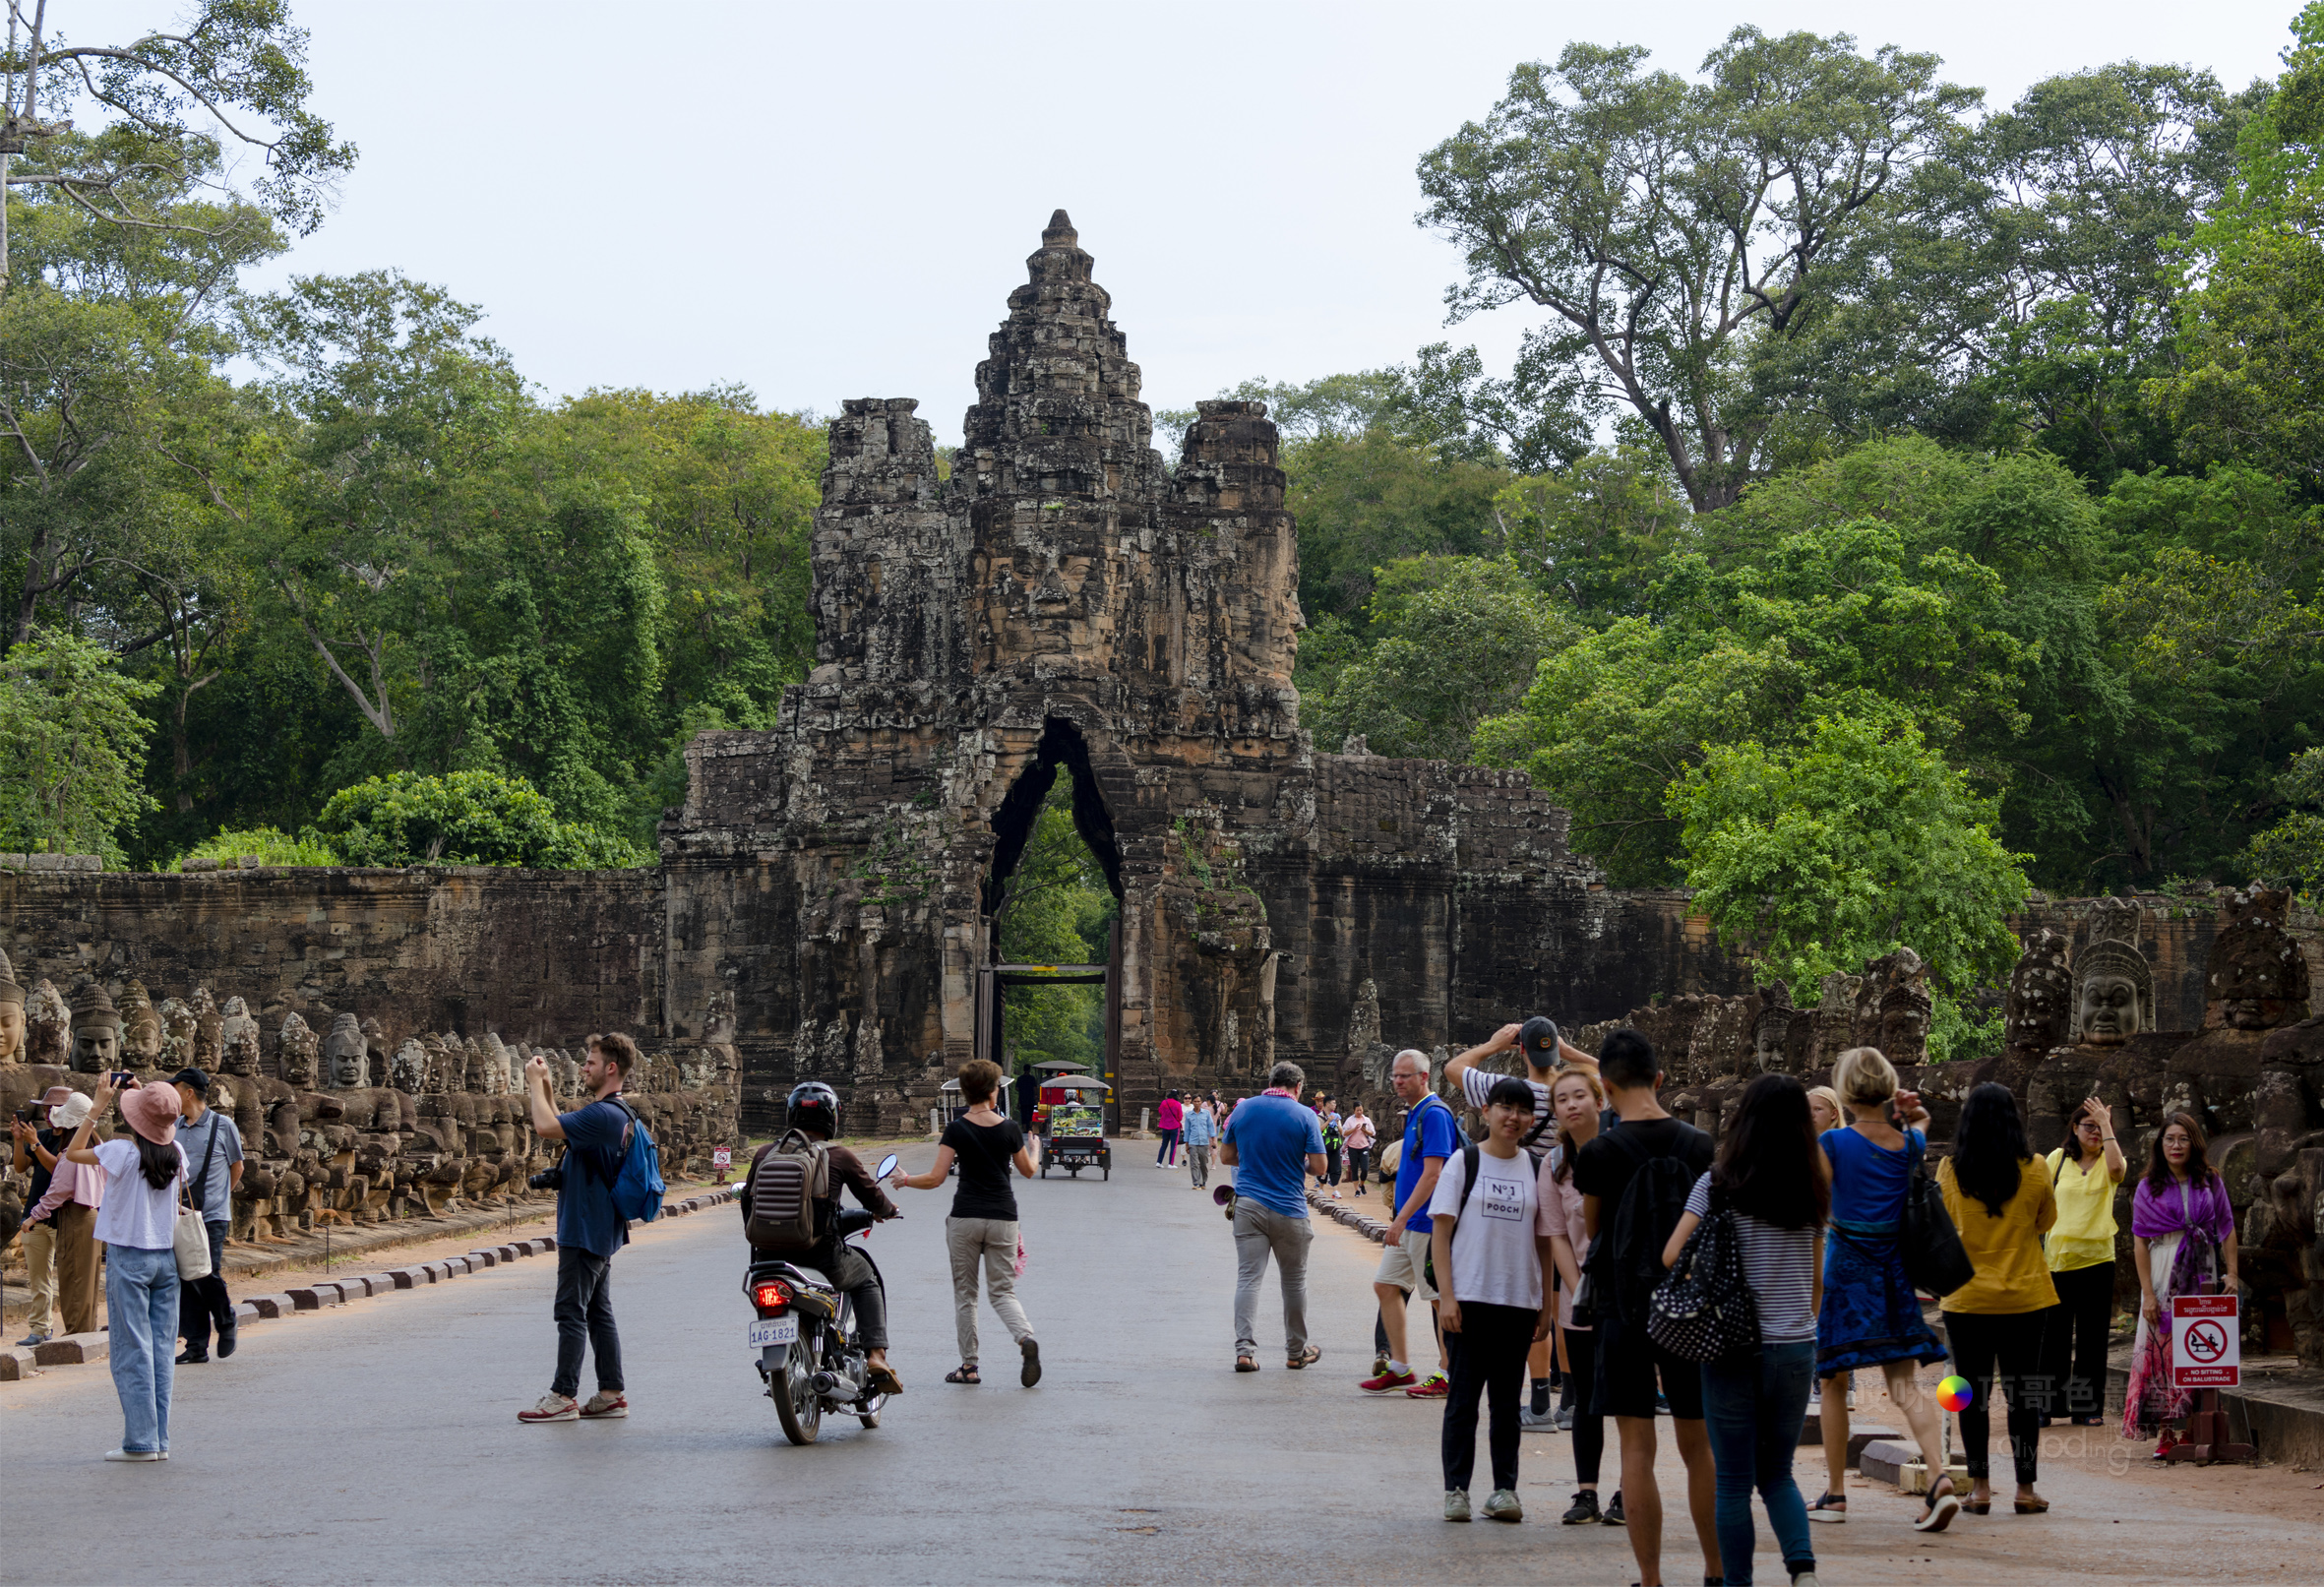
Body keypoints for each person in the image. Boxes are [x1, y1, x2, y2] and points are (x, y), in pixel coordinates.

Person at [1661, 1072, 1827, 1587]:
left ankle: (1738, 1582)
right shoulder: (1812, 1186)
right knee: (1778, 1473)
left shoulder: (1718, 1183)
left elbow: (1671, 1255)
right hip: (1795, 1346)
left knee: (1732, 1480)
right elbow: (1818, 1277)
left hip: (1731, 1345)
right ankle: (1803, 1570)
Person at [1573, 1027, 1718, 1587]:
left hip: (1623, 1303)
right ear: (1660, 1079)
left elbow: (1592, 1228)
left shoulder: (1601, 1152)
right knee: (1698, 1444)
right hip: (1690, 1304)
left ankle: (1652, 1578)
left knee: (1637, 1446)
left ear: (1604, 1088)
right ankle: (1714, 1569)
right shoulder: (1699, 1145)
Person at [1811, 1047, 1958, 1532]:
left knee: (1832, 1381)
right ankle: (1938, 1477)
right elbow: (1922, 1124)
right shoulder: (1907, 1145)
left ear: (1846, 1092)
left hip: (1847, 1270)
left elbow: (1816, 1206)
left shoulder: (1832, 1145)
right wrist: (1914, 1113)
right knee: (1903, 1385)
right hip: (1893, 1273)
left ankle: (1835, 1493)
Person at [1443, 1015, 1605, 1424]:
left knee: (1534, 1299)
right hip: (1564, 1203)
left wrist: (1492, 1045)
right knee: (1562, 1302)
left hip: (1521, 1202)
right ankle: (1569, 1398)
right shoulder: (1570, 1094)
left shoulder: (1506, 1093)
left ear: (1522, 1052)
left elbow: (1452, 1068)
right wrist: (1570, 1053)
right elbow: (1609, 1075)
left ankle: (1537, 1401)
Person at [1432, 1076, 1559, 1523]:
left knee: (1506, 1404)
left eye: (1523, 1110)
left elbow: (1544, 1241)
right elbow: (1441, 1234)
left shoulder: (1536, 1168)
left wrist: (1545, 1304)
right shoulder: (1463, 1162)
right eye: (1505, 1107)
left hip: (1517, 1302)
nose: (1514, 1117)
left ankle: (1505, 1489)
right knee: (1463, 1401)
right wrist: (1446, 1297)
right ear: (1486, 1111)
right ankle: (1457, 1491)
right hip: (1469, 1298)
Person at [1937, 1081, 2058, 1515]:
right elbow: (2045, 1220)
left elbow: (1945, 1227)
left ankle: (1980, 1487)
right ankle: (2025, 1490)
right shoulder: (2038, 1167)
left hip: (1966, 1299)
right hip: (2025, 1297)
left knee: (1970, 1394)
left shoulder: (1950, 1170)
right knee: (2024, 1393)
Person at [747, 1077, 906, 1393]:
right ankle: (876, 1354)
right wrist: (887, 1210)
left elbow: (748, 1206)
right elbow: (873, 1198)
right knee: (865, 1277)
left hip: (767, 1261)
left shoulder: (764, 1154)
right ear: (832, 1117)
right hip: (820, 1255)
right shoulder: (840, 1156)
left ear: (791, 1115)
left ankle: (777, 1343)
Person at [519, 1033, 642, 1424]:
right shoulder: (617, 1113)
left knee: (570, 1311)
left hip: (585, 1227)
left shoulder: (603, 1115)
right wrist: (549, 1085)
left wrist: (534, 1083)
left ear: (610, 1067)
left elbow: (544, 1126)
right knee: (597, 1311)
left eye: (589, 1062)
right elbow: (559, 1123)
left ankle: (562, 1395)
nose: (584, 1068)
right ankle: (611, 1393)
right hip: (601, 1226)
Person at [894, 1058, 1040, 1387]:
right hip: (1003, 1217)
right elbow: (1029, 1170)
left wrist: (906, 1181)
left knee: (966, 1294)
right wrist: (1035, 1149)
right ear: (993, 1092)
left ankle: (969, 1367)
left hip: (965, 1217)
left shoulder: (956, 1128)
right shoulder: (1009, 1128)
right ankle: (1024, 1338)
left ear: (964, 1093)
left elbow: (935, 1178)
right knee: (1002, 1292)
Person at [66, 1077, 187, 1461]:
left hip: (129, 1256)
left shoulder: (121, 1151)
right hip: (167, 1259)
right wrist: (151, 1098)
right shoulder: (178, 1153)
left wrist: (98, 1106)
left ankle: (141, 1441)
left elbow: (73, 1153)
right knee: (162, 1351)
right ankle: (159, 1439)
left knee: (132, 1349)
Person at [2124, 1111, 2241, 1445]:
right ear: (2160, 1144)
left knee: (2201, 1345)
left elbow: (2227, 1227)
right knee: (2164, 1347)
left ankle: (2195, 1427)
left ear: (2194, 1143)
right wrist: (2148, 1294)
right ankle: (2165, 1430)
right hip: (2164, 1268)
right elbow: (2140, 1243)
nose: (2176, 1146)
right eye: (2170, 1139)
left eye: (2183, 1139)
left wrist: (2231, 1273)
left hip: (2203, 1268)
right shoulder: (2148, 1187)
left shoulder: (2210, 1180)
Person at [1361, 1048, 1458, 1396]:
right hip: (1410, 1223)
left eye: (1404, 1075)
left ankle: (1449, 1373)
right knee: (1386, 1286)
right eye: (1395, 1076)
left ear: (1423, 1077)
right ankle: (1400, 1366)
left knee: (1438, 1300)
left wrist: (1399, 1219)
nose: (1398, 1081)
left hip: (1428, 1223)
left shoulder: (1434, 1114)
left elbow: (1434, 1174)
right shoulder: (1415, 1113)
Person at [1220, 1060, 1326, 1373]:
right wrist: (1296, 1161)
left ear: (1270, 1081)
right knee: (1293, 1282)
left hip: (1249, 1205)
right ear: (1298, 1087)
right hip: (1290, 1209)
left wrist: (1255, 1157)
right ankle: (1295, 1352)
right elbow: (1320, 1168)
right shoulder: (1306, 1115)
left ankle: (1244, 1352)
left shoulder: (1243, 1109)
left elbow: (1226, 1155)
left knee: (1248, 1280)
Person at [1539, 1067, 1610, 1524]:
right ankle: (1587, 1491)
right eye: (1561, 1099)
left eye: (1580, 1095)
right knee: (1584, 1396)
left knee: (1627, 1396)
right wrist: (1580, 1287)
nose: (1571, 1105)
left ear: (1600, 1100)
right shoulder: (1553, 1165)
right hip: (1579, 1294)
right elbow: (1557, 1235)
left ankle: (1628, 1489)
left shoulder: (1623, 1151)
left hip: (1627, 1295)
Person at [2040, 1097, 2125, 1427]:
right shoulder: (2057, 1160)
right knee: (2053, 1338)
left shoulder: (2110, 1160)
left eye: (2100, 1126)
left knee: (2092, 1338)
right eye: (2088, 1125)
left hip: (2098, 1261)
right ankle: (2046, 1406)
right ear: (2074, 1129)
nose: (2094, 1132)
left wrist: (2107, 1127)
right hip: (2057, 1261)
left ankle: (2087, 1407)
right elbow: (2041, 1200)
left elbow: (2118, 1171)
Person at [170, 1068, 245, 1365]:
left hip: (212, 1214)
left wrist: (220, 1197)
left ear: (189, 1092)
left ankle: (226, 1320)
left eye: (174, 1088)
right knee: (187, 1278)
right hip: (180, 1214)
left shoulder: (222, 1125)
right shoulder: (174, 1125)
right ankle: (196, 1344)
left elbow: (236, 1167)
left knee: (206, 1272)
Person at [19, 1089, 103, 1337]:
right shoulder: (96, 1145)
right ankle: (83, 1331)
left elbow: (59, 1188)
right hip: (92, 1214)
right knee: (85, 1280)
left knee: (73, 1279)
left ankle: (77, 1334)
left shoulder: (71, 1152)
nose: (49, 1114)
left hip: (74, 1216)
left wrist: (34, 1215)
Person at [9, 1085, 73, 1345]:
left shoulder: (76, 1138)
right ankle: (39, 1328)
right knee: (38, 1278)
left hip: (65, 1217)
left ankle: (76, 1328)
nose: (48, 1113)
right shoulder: (44, 1136)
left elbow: (60, 1170)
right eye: (46, 1109)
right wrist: (18, 1140)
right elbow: (21, 1167)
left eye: (54, 1109)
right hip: (34, 1216)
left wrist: (34, 1143)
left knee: (70, 1277)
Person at [1182, 1093, 1220, 1189]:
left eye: (1199, 1101)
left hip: (1204, 1142)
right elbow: (1187, 1130)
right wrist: (1187, 1144)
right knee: (1194, 1164)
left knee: (1203, 1164)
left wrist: (1214, 1141)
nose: (1197, 1103)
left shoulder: (1206, 1113)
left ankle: (1203, 1182)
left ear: (1201, 1102)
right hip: (1193, 1142)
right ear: (1192, 1102)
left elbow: (1211, 1128)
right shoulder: (1189, 1115)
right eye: (1195, 1101)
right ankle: (1195, 1183)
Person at [1343, 1103, 1376, 1196]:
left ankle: (1362, 1184)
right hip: (1352, 1147)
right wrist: (1353, 1129)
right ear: (1354, 1111)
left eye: (1361, 1110)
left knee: (1365, 1168)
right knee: (1354, 1169)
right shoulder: (1349, 1120)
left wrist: (1365, 1131)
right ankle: (1356, 1190)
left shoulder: (1366, 1120)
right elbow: (1344, 1133)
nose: (1359, 1112)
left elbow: (1373, 1133)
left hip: (1364, 1146)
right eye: (1357, 1110)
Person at [1319, 1101, 1344, 1192]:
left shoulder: (1337, 1116)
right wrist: (1328, 1121)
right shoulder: (1320, 1116)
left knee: (1336, 1167)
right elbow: (1318, 1130)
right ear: (1327, 1104)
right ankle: (1321, 1188)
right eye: (1333, 1103)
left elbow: (1342, 1131)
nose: (1335, 1105)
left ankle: (1335, 1189)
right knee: (1324, 1167)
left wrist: (1337, 1123)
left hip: (1335, 1145)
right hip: (1324, 1146)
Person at [1155, 1090, 1184, 1168]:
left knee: (1164, 1145)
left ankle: (1159, 1162)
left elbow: (1160, 1111)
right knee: (1173, 1146)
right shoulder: (1178, 1104)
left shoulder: (1164, 1102)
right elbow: (1180, 1116)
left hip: (1165, 1126)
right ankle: (1170, 1163)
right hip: (1174, 1126)